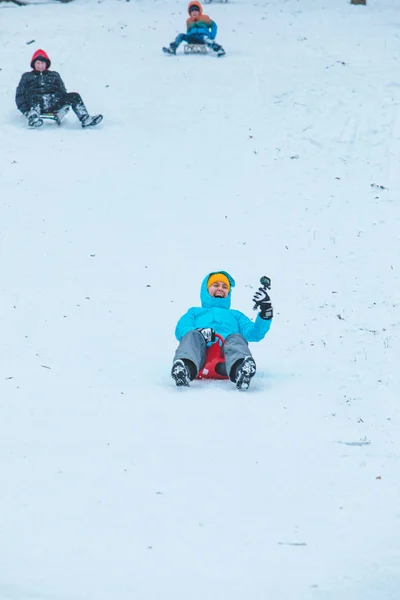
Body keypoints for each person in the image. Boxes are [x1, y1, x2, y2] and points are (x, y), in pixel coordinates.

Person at [171, 271, 273, 390]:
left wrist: (266, 312)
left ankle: (241, 369)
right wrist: (200, 332)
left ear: (228, 292)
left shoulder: (236, 315)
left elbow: (255, 333)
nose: (220, 288)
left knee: (235, 337)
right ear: (206, 289)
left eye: (225, 287)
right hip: (199, 359)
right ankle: (185, 368)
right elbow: (181, 329)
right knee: (192, 335)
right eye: (216, 285)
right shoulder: (195, 312)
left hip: (226, 360)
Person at [15, 49, 103, 128]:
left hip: (53, 102)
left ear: (46, 64)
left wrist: (62, 107)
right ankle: (33, 118)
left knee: (74, 96)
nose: (40, 66)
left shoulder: (54, 75)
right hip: (36, 104)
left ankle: (85, 118)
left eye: (42, 63)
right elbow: (20, 96)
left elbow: (62, 91)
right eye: (38, 63)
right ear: (33, 64)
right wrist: (25, 111)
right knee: (35, 96)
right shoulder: (27, 76)